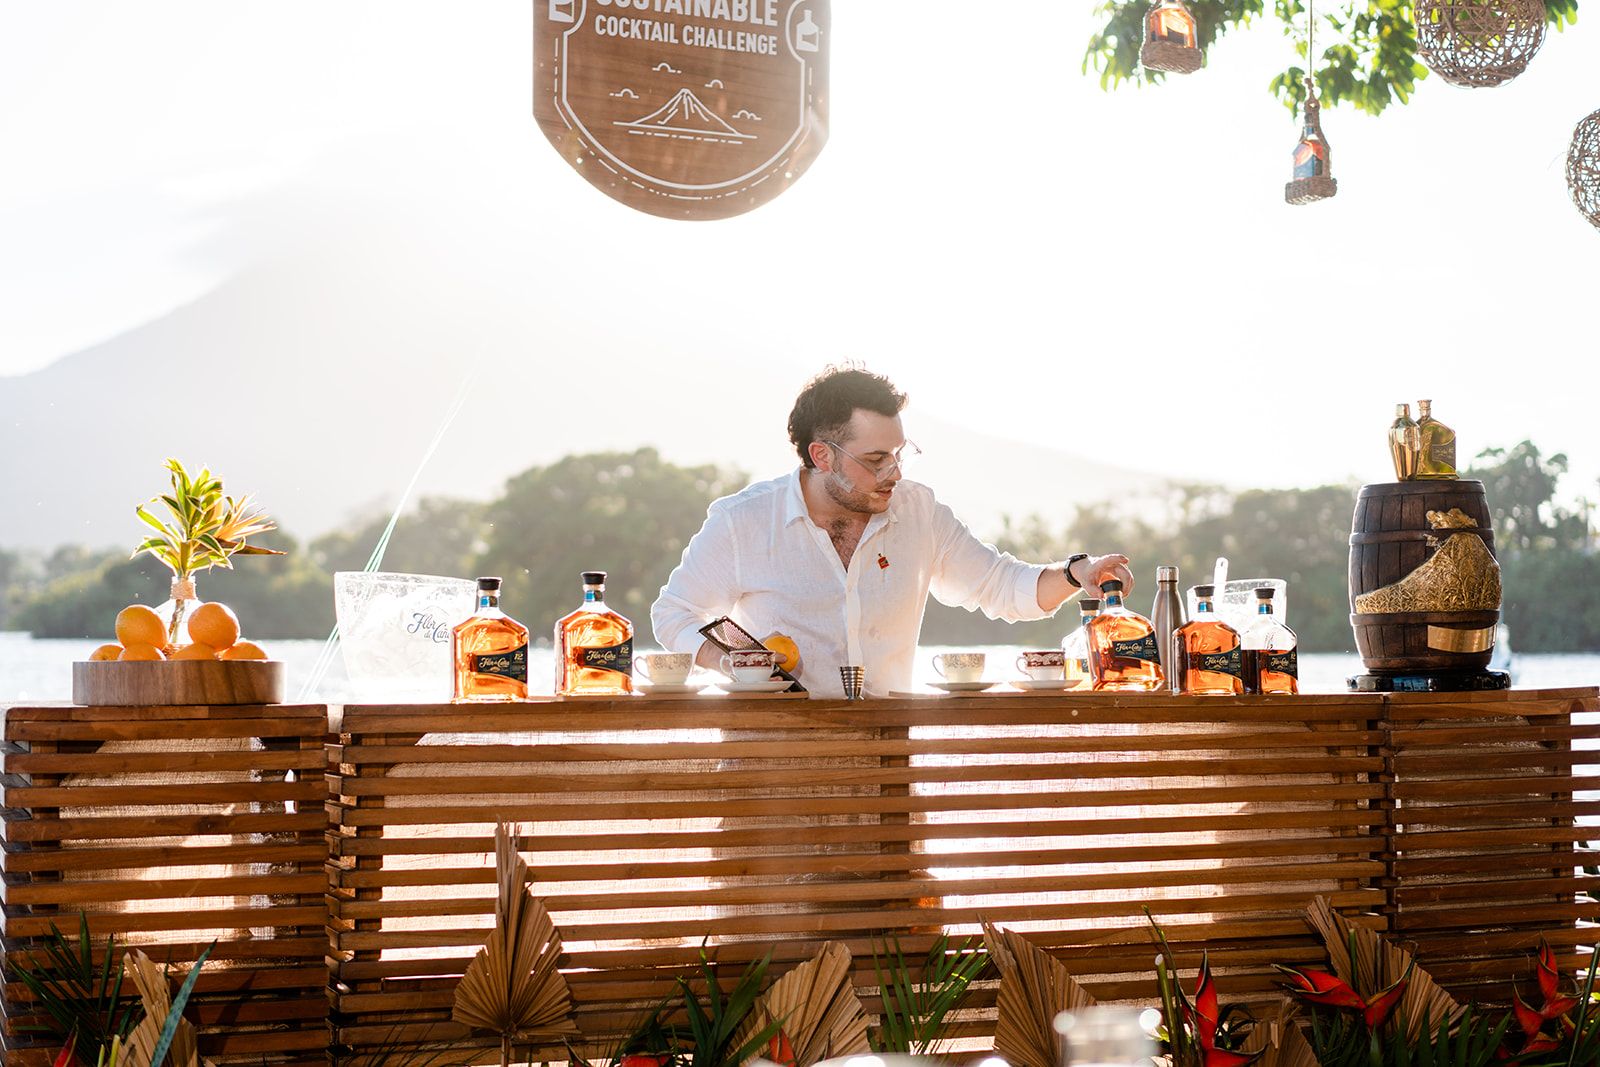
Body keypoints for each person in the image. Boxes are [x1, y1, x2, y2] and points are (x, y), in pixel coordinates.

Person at [650, 366, 1134, 697]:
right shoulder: (744, 521)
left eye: (900, 454)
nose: (895, 473)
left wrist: (1078, 572)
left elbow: (1003, 587)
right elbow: (674, 614)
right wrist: (736, 663)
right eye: (877, 459)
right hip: (770, 764)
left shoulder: (919, 511)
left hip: (891, 764)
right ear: (822, 456)